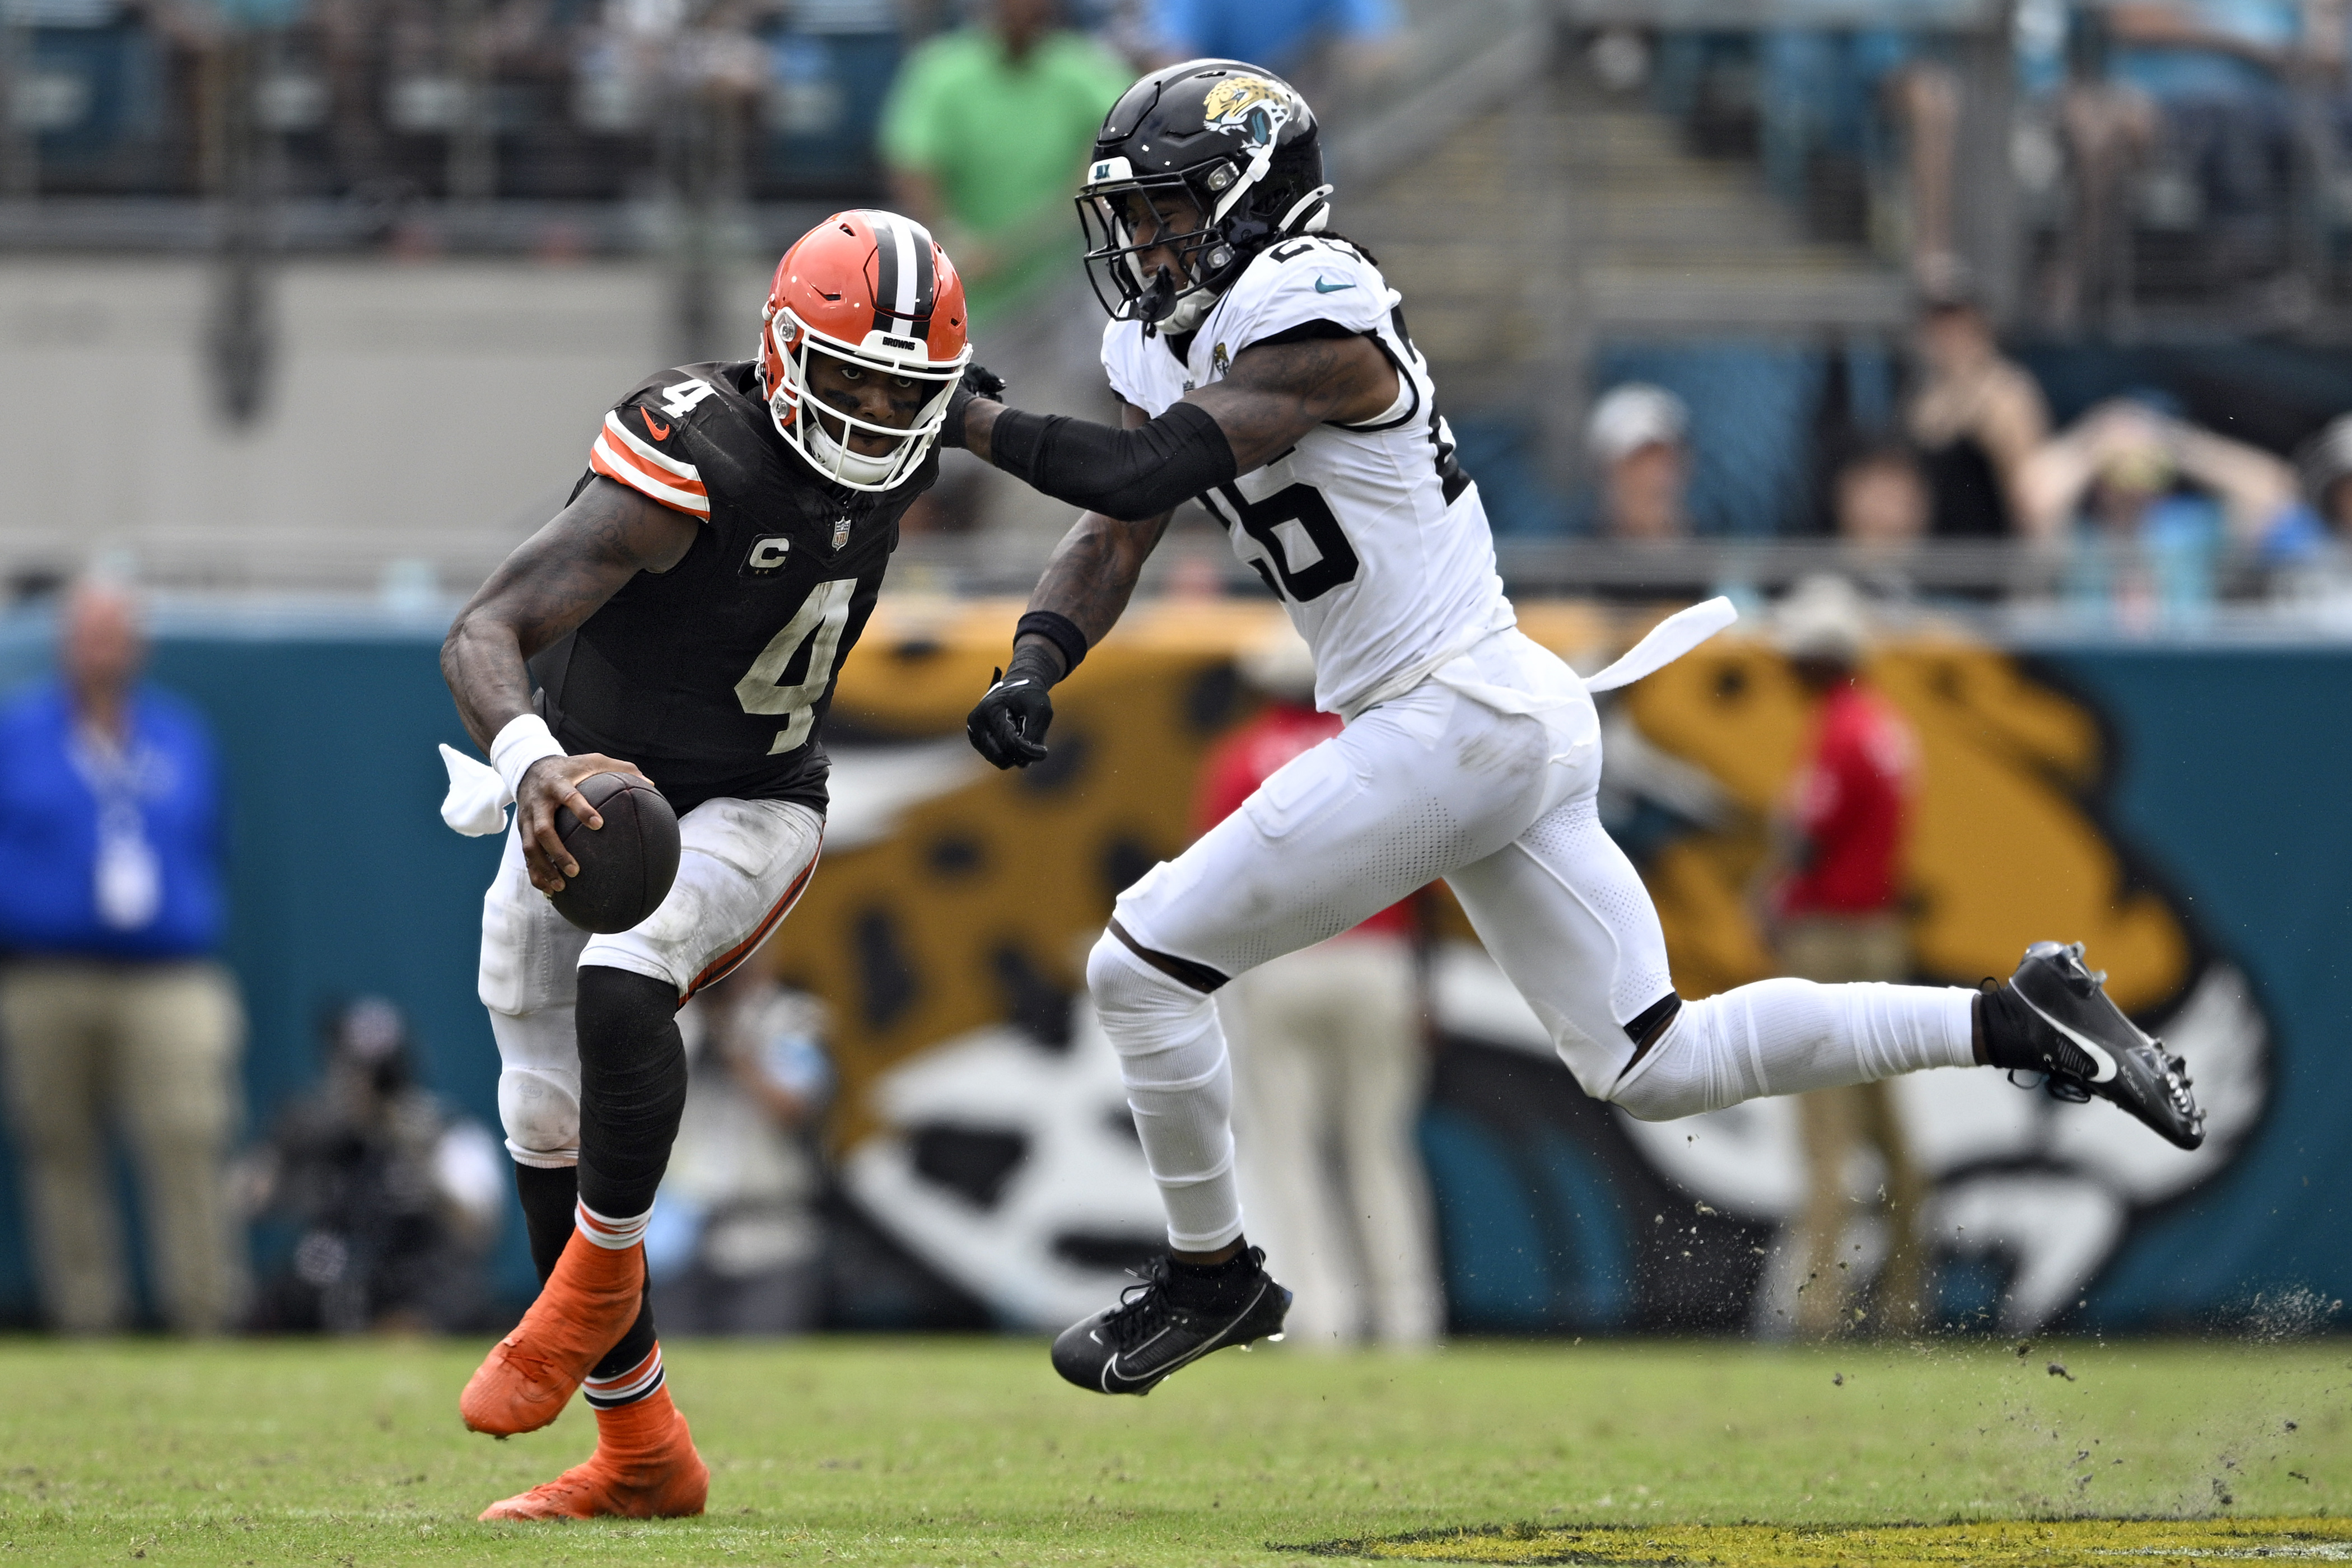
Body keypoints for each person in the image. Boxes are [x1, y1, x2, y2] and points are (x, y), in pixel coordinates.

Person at [939, 57, 2205, 1397]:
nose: (1145, 244)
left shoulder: (1319, 313)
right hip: (1495, 710)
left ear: (1256, 199)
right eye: (1134, 218)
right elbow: (1117, 525)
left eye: (1171, 210)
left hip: (1451, 718)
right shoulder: (1179, 334)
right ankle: (2012, 1021)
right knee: (1654, 1060)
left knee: (1142, 964)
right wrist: (1038, 656)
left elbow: (1143, 469)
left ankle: (1214, 1276)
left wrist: (969, 421)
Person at [436, 209, 971, 1519]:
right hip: (592, 792)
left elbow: (1109, 477)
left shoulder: (918, 445)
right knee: (538, 1101)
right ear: (781, 349)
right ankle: (642, 1456)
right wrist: (529, 764)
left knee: (628, 982)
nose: (864, 411)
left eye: (898, 391)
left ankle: (593, 1284)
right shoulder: (691, 453)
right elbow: (487, 627)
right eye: (842, 376)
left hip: (753, 801)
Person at [0, 580, 245, 1336]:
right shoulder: (20, 734)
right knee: (60, 1145)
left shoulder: (178, 735)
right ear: (67, 643)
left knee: (188, 1134)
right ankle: (86, 1321)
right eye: (90, 632)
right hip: (47, 971)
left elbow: (211, 842)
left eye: (116, 633)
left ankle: (205, 1314)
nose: (102, 648)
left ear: (138, 645)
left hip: (167, 972)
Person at [1200, 622, 1441, 1351]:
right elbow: (1425, 869)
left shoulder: (1240, 759)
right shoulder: (1379, 755)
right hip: (1378, 961)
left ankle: (1322, 1317)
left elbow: (1216, 885)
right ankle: (1409, 1317)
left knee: (1290, 1150)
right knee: (1382, 1146)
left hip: (1280, 967)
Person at [880, 0, 1131, 536]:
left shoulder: (1085, 67)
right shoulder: (941, 70)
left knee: (1128, 392)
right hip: (973, 303)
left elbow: (1124, 136)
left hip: (1064, 288)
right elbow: (912, 165)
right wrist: (958, 238)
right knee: (945, 453)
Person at [1761, 577, 1928, 1338]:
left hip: (1831, 937)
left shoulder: (1840, 730)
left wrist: (1766, 895)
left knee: (1825, 1131)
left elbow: (1806, 837)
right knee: (1887, 1128)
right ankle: (1904, 1298)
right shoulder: (1888, 728)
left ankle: (1818, 1309)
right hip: (1879, 933)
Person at [240, 997, 506, 1335]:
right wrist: (287, 1149)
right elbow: (247, 1197)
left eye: (375, 1075)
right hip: (335, 1269)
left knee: (449, 1292)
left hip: (414, 1273)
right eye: (350, 1069)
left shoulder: (445, 1130)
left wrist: (420, 1159)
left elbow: (478, 1231)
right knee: (282, 1294)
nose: (360, 1085)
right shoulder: (317, 1128)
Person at [647, 968, 833, 1336]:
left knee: (764, 1371)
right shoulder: (663, 1019)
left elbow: (792, 1107)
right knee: (672, 1370)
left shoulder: (791, 1017)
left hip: (768, 1231)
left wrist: (734, 1044)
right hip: (675, 1229)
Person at [1903, 263, 2050, 541]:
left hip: (1985, 567)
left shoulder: (2006, 394)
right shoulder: (1924, 396)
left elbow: (2031, 499)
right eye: (1937, 322)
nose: (1948, 333)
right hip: (1931, 568)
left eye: (1958, 320)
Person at [1588, 383, 1691, 541]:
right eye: (1636, 464)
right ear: (1605, 474)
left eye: (1664, 462)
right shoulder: (1569, 560)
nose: (1655, 478)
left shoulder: (1723, 558)